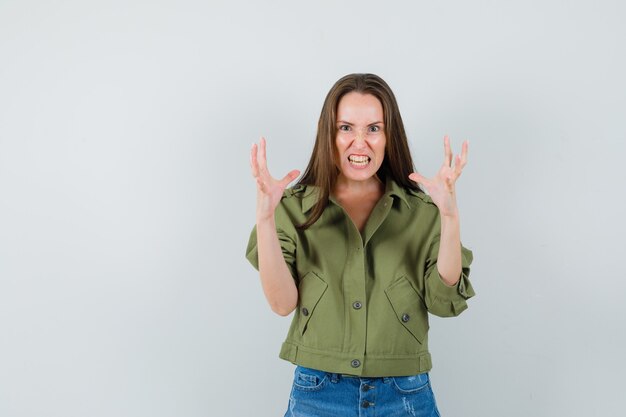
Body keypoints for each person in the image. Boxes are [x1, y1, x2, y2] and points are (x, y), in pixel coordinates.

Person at [245, 73, 475, 417]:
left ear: (388, 136)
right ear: (329, 134)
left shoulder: (423, 211)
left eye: (373, 128)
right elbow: (282, 303)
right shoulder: (291, 208)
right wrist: (265, 218)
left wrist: (449, 215)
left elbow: (444, 302)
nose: (360, 142)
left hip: (404, 395)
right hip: (318, 395)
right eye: (346, 128)